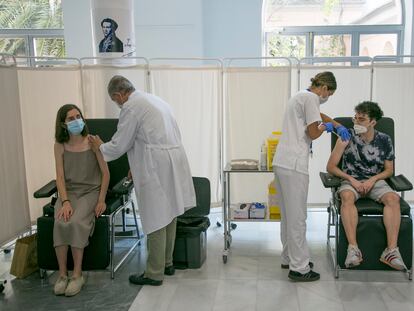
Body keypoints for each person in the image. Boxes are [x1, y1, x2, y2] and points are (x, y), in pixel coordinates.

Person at [88, 75, 196, 286]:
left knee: (156, 216)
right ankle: (167, 263)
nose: (117, 105)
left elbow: (119, 145)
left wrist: (100, 147)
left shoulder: (131, 107)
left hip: (155, 166)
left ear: (119, 95)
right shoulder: (155, 100)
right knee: (170, 211)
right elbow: (147, 138)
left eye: (114, 100)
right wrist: (136, 163)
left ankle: (154, 273)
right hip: (172, 160)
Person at [273, 71, 351, 282]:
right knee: (298, 218)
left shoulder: (301, 95)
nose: (327, 98)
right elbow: (313, 132)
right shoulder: (311, 98)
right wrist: (326, 128)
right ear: (324, 88)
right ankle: (299, 268)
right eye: (330, 94)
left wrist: (336, 124)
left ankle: (289, 257)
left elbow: (317, 116)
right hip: (295, 164)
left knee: (288, 215)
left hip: (282, 162)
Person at [327, 101, 406, 271]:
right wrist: (352, 180)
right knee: (347, 197)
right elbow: (331, 167)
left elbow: (389, 170)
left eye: (361, 119)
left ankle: (391, 251)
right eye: (355, 118)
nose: (356, 123)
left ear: (373, 122)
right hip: (351, 180)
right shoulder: (346, 136)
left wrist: (372, 180)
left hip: (375, 181)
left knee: (393, 198)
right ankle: (353, 249)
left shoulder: (384, 140)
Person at [53, 104, 109, 296]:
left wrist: (101, 200)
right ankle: (62, 275)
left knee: (76, 222)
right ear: (63, 124)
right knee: (60, 221)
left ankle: (77, 275)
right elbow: (59, 177)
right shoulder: (59, 146)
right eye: (71, 118)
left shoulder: (93, 142)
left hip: (90, 192)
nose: (76, 120)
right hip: (69, 194)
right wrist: (65, 201)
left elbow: (105, 174)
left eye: (78, 116)